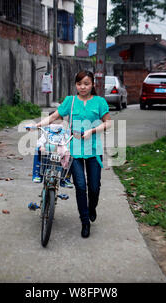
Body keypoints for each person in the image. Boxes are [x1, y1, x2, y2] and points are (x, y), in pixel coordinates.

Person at [30, 70, 112, 238]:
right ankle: (85, 222)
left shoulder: (99, 102)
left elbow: (108, 123)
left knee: (94, 187)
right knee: (80, 186)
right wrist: (38, 125)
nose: (83, 87)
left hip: (93, 150)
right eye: (79, 83)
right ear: (76, 85)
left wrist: (92, 130)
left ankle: (92, 208)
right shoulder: (70, 101)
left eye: (86, 84)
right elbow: (54, 116)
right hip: (73, 149)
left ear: (92, 85)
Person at [31, 111, 73, 188]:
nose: (56, 124)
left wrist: (68, 148)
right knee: (38, 150)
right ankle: (37, 174)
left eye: (58, 121)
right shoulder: (47, 131)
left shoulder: (64, 132)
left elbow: (68, 141)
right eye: (53, 121)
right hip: (47, 152)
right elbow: (41, 140)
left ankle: (65, 179)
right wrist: (41, 146)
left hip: (61, 153)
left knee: (71, 155)